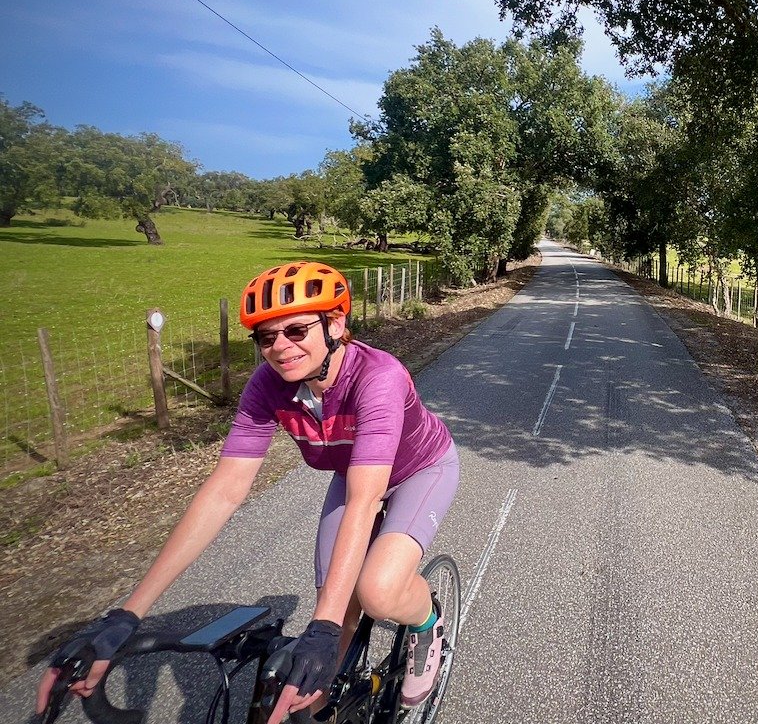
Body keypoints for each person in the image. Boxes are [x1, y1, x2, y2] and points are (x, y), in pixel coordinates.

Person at [36, 261, 460, 724]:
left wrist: (321, 625)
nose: (281, 348)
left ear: (335, 324)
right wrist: (126, 615)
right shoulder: (266, 386)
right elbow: (224, 490)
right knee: (320, 654)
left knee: (376, 591)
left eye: (296, 330)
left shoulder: (377, 377)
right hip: (351, 473)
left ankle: (427, 623)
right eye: (266, 337)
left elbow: (365, 499)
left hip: (420, 470)